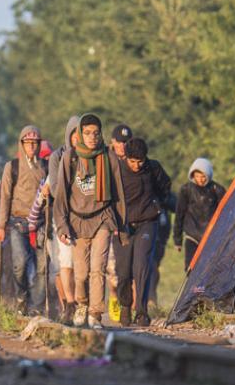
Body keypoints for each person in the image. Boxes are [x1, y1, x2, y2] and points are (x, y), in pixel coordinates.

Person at [53, 114, 126, 328]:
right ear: (80, 135)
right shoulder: (70, 157)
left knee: (98, 268)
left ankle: (95, 313)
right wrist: (62, 225)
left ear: (100, 134)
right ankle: (82, 305)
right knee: (81, 272)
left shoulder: (108, 157)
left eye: (96, 133)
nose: (92, 137)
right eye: (87, 133)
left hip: (103, 217)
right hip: (77, 221)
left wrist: (122, 228)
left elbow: (119, 194)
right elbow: (61, 195)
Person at [113, 138, 171, 326]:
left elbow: (165, 187)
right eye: (133, 161)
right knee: (123, 271)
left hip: (147, 222)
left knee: (142, 265)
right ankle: (125, 305)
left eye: (140, 161)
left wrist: (157, 204)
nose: (137, 165)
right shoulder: (117, 170)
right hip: (123, 226)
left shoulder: (153, 168)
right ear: (126, 158)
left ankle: (141, 311)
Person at [0, 126, 49, 314]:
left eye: (35, 142)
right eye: (28, 142)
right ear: (22, 144)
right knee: (20, 263)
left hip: (41, 222)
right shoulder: (12, 167)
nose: (32, 146)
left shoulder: (46, 167)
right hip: (18, 221)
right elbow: (5, 197)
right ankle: (21, 296)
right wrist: (1, 226)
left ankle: (36, 306)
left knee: (42, 267)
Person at [47, 116, 80, 324]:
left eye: (81, 134)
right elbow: (54, 188)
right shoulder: (57, 157)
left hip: (85, 217)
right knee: (66, 262)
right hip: (63, 215)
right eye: (75, 134)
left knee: (82, 264)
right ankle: (69, 303)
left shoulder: (91, 157)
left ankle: (82, 303)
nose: (78, 138)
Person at [174, 158, 226, 269]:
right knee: (190, 267)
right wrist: (177, 240)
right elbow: (179, 215)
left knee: (209, 268)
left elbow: (226, 214)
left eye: (203, 177)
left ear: (209, 175)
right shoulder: (186, 190)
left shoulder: (218, 190)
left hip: (211, 236)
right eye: (197, 176)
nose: (200, 180)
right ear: (192, 175)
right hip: (192, 235)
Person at [106, 123, 133, 321]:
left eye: (126, 142)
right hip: (110, 219)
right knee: (112, 266)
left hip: (131, 220)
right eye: (119, 142)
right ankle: (114, 296)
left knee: (128, 266)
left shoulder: (135, 161)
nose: (122, 146)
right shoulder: (106, 160)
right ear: (112, 142)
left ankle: (130, 304)